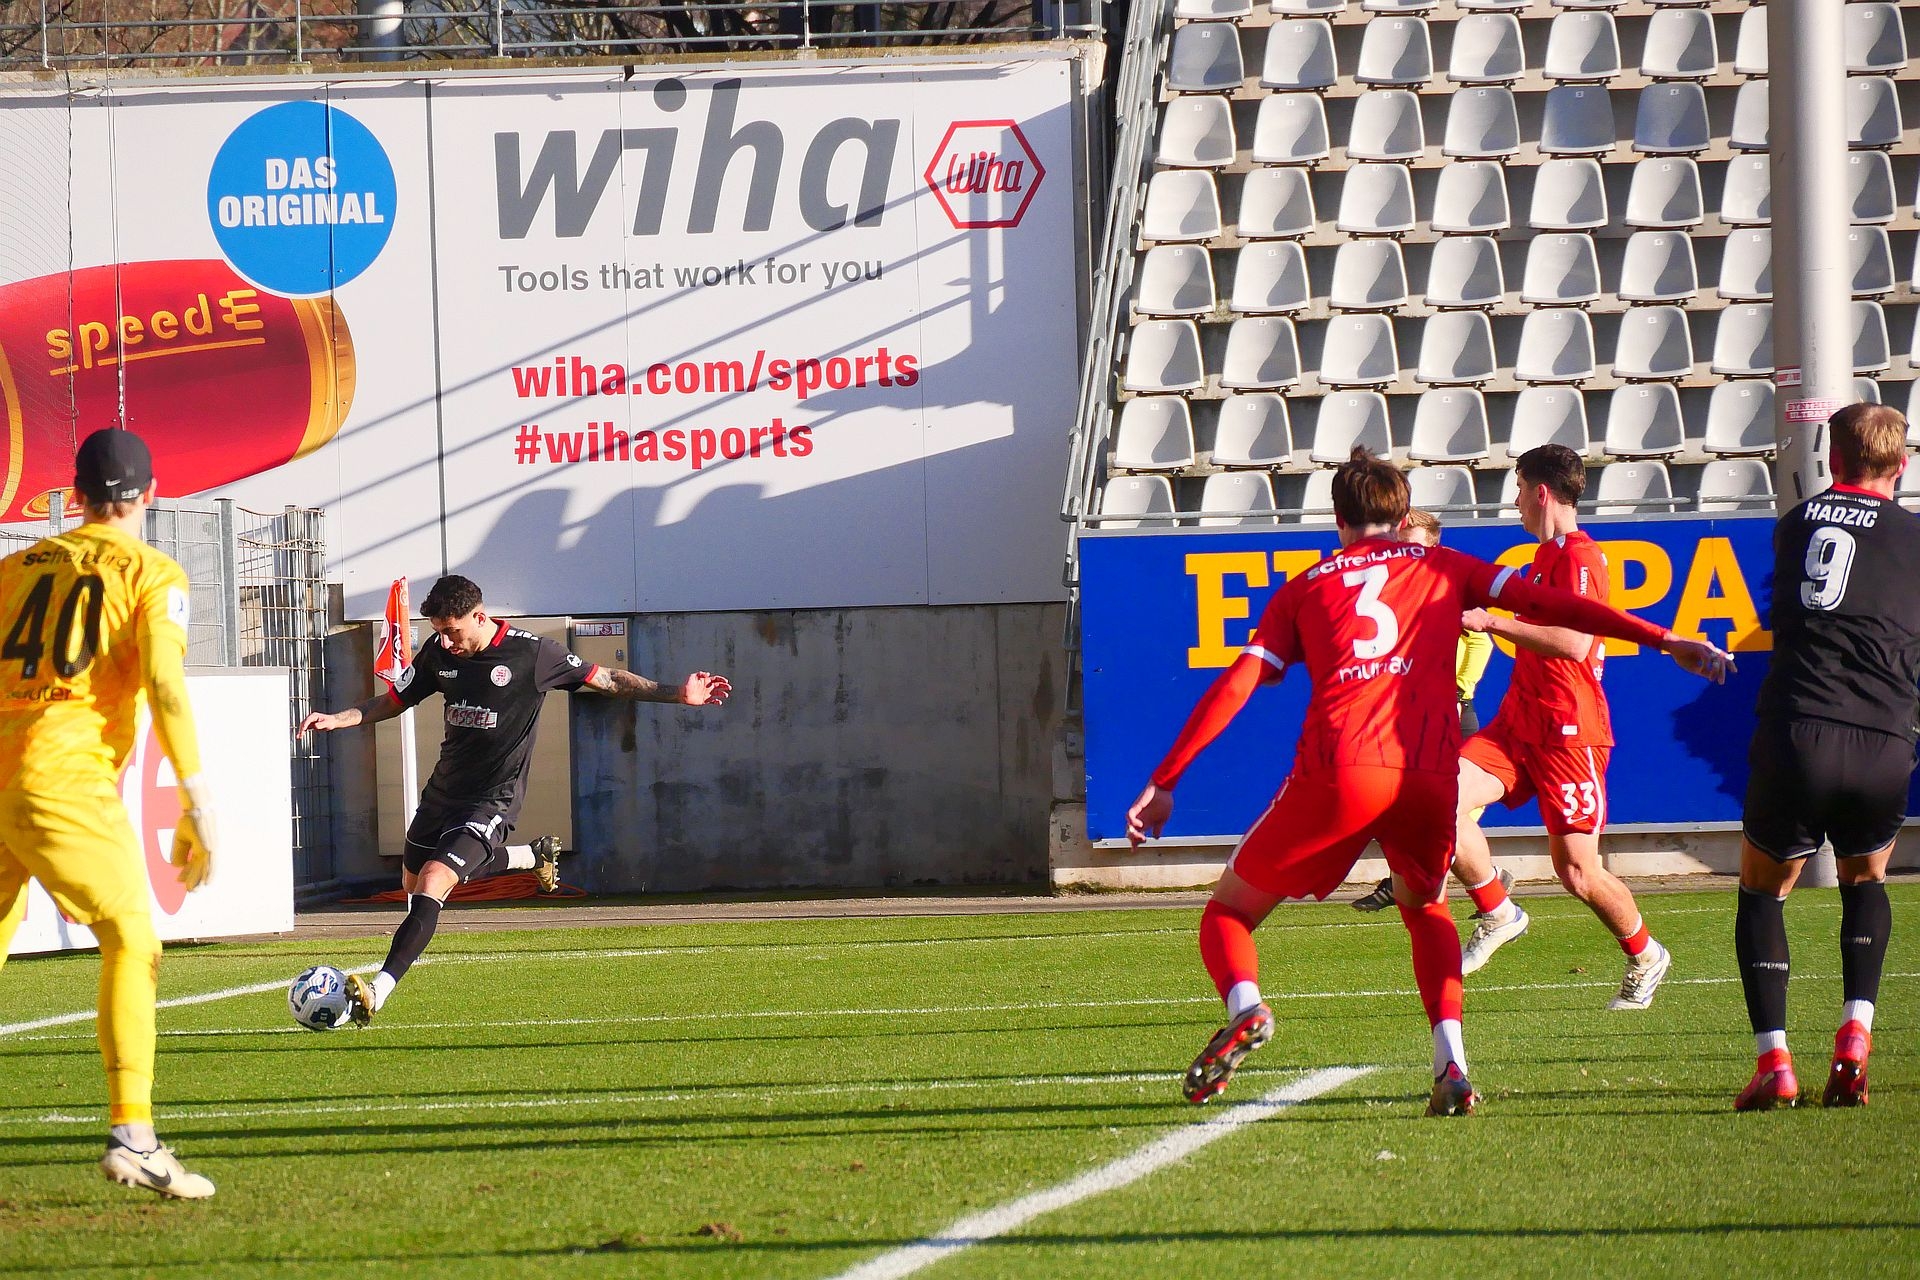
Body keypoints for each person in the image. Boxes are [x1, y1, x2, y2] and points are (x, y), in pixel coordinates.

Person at [1126, 450, 1732, 1115]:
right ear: (1402, 513)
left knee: (1229, 913)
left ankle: (1247, 1007)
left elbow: (1239, 683)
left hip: (1345, 769)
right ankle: (1453, 1064)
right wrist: (1665, 638)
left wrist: (1166, 779)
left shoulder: (1307, 586)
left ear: (1338, 519)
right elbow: (1551, 605)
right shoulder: (1445, 566)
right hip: (1427, 776)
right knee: (1426, 909)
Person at [298, 574, 729, 1022]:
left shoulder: (534, 654)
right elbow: (395, 699)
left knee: (433, 881)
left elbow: (609, 680)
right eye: (439, 632)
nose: (446, 641)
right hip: (441, 794)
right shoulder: (438, 654)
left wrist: (678, 694)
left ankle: (379, 990)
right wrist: (340, 718)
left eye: (452, 631)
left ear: (479, 616)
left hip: (492, 800)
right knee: (411, 884)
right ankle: (530, 856)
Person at [0, 429, 220, 1198]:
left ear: (73, 494)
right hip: (62, 779)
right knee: (132, 939)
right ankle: (135, 1136)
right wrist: (197, 798)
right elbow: (164, 684)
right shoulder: (152, 573)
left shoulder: (15, 568)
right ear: (151, 494)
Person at [1732, 403, 1920, 1110]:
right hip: (1883, 735)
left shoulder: (1795, 525)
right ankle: (1855, 1034)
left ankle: (1775, 1063)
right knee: (1866, 878)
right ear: (1902, 464)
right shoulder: (1914, 536)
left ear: (1832, 459)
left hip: (1798, 727)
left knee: (1762, 889)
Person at [1445, 445, 1672, 1013]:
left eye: (1520, 489)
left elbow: (1575, 643)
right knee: (1436, 800)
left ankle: (1646, 955)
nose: (1516, 501)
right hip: (1519, 722)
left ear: (1541, 492)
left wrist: (1494, 621)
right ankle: (1498, 909)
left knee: (1577, 872)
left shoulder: (1580, 558)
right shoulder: (1543, 558)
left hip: (1570, 730)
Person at [1351, 508, 1498, 913]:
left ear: (1433, 545)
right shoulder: (1394, 585)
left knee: (1442, 812)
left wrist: (1460, 691)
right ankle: (1478, 880)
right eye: (1402, 542)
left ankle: (1427, 888)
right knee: (1407, 807)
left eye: (1414, 544)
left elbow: (1480, 639)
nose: (1406, 551)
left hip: (1448, 711)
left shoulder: (1446, 583)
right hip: (1410, 712)